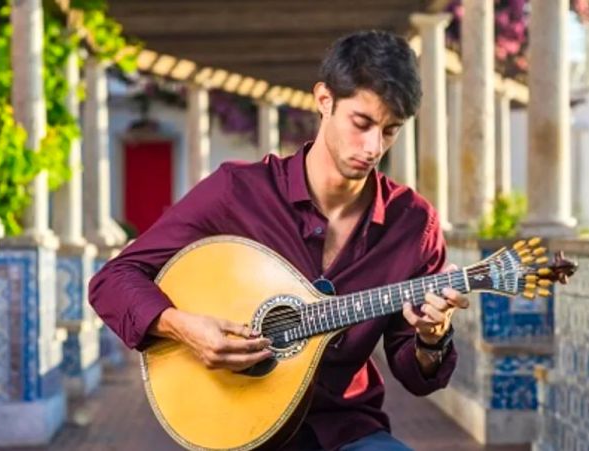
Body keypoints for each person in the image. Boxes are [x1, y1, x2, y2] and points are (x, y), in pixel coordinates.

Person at [89, 30, 469, 451]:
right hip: (238, 425)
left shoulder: (412, 225)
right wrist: (182, 327)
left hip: (345, 429)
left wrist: (432, 338)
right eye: (362, 123)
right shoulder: (237, 192)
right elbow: (113, 279)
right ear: (324, 100)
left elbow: (415, 376)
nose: (373, 147)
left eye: (390, 131)